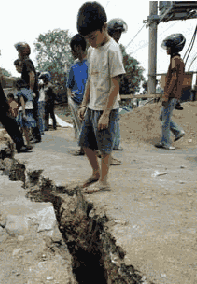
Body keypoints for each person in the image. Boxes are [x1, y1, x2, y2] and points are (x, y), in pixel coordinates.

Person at [76, 1, 126, 193]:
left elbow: (115, 85)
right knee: (85, 144)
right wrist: (83, 104)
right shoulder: (92, 49)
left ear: (104, 27)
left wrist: (106, 114)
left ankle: (104, 181)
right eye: (87, 39)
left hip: (107, 108)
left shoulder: (112, 50)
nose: (90, 42)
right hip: (92, 107)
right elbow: (90, 79)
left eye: (92, 37)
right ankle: (96, 173)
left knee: (105, 149)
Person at [155, 34, 186, 150]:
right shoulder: (178, 60)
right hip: (174, 95)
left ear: (174, 48)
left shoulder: (175, 60)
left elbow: (173, 80)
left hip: (171, 95)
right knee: (163, 117)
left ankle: (166, 143)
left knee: (165, 120)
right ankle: (178, 132)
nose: (167, 49)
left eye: (168, 47)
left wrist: (166, 96)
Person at [107, 18, 128, 152]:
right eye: (116, 32)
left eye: (120, 32)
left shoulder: (114, 47)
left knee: (113, 117)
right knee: (112, 117)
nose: (118, 35)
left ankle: (115, 143)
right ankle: (115, 143)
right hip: (109, 86)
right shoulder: (111, 46)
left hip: (113, 86)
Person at [14, 42, 41, 143]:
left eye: (19, 52)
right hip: (31, 91)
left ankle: (36, 136)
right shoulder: (26, 62)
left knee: (32, 114)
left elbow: (32, 75)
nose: (18, 54)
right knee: (33, 113)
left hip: (30, 92)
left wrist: (30, 90)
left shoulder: (27, 62)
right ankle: (36, 135)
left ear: (22, 52)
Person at [67, 34, 89, 156]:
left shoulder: (90, 63)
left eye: (72, 49)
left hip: (89, 101)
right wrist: (70, 97)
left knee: (89, 125)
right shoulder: (74, 66)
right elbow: (69, 85)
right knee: (78, 125)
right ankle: (82, 148)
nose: (71, 52)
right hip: (76, 101)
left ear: (78, 47)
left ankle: (92, 149)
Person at [15, 79, 36, 150]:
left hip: (24, 110)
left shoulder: (20, 92)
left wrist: (23, 114)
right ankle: (24, 141)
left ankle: (28, 143)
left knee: (24, 128)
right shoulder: (29, 91)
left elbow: (22, 103)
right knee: (27, 126)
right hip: (30, 109)